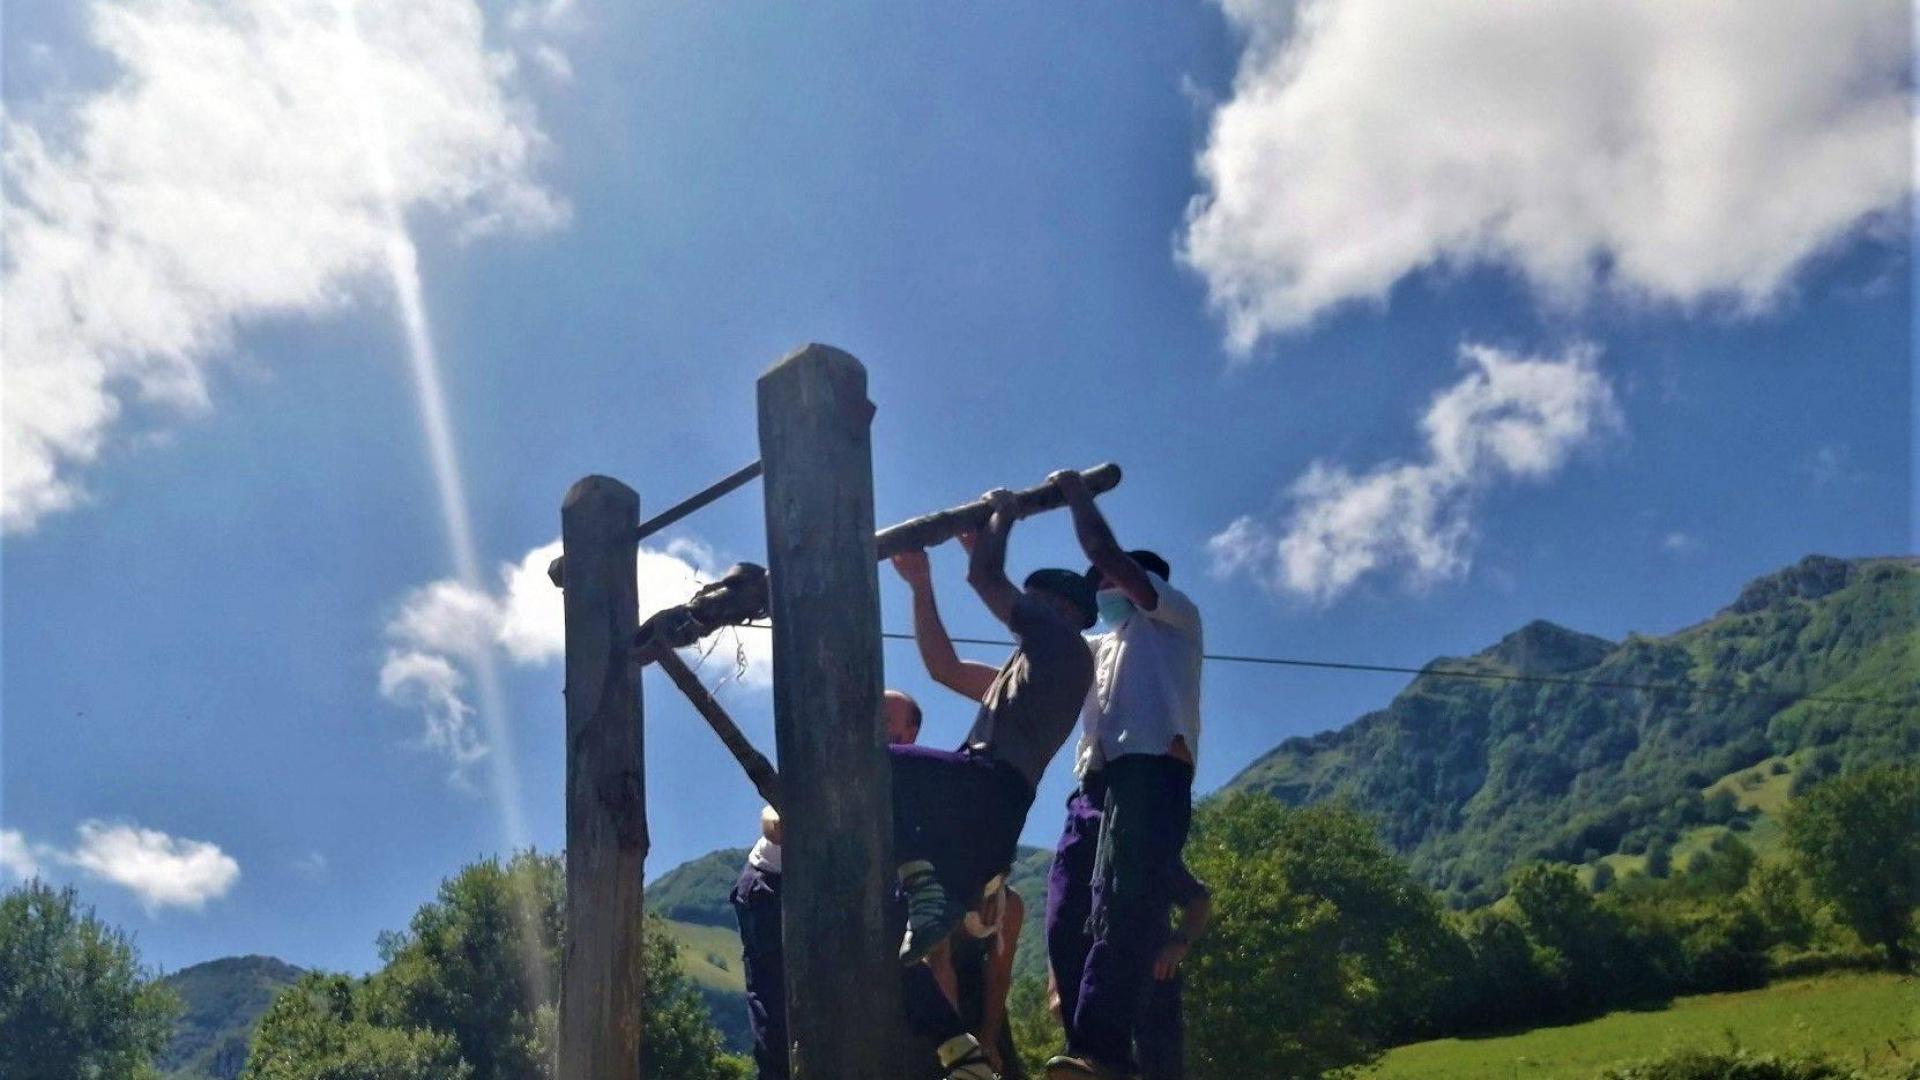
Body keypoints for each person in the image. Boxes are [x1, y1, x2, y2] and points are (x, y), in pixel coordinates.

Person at [887, 488, 1098, 1079]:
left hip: (984, 786)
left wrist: (999, 516)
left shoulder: (1060, 647)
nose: (1017, 610)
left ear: (1056, 606)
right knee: (902, 940)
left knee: (866, 767)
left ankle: (919, 876)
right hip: (990, 814)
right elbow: (944, 668)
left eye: (1029, 602)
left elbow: (986, 578)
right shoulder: (1031, 671)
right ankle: (962, 1054)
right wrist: (921, 586)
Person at [1043, 469, 1204, 1080]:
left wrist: (1076, 495)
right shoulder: (1097, 650)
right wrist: (986, 559)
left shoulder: (1175, 619)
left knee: (1126, 904)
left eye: (1108, 580)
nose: (1101, 586)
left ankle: (1104, 1053)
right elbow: (994, 665)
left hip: (1153, 771)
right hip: (1096, 785)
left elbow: (1104, 551)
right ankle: (1095, 1055)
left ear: (1147, 582)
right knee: (1066, 913)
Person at [729, 690, 923, 1080]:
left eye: (885, 722)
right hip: (772, 886)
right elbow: (773, 821)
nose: (871, 725)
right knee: (778, 1008)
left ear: (907, 737)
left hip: (833, 898)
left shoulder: (900, 782)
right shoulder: (829, 755)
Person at [1047, 862, 1209, 1080]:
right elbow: (1060, 925)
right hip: (1092, 1005)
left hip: (1153, 989)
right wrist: (1055, 985)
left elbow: (1199, 899)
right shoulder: (1075, 861)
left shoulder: (1140, 851)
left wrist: (1178, 943)